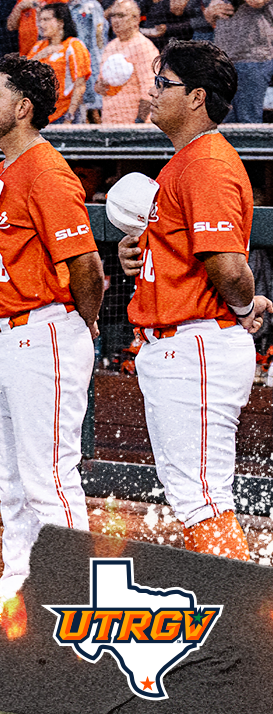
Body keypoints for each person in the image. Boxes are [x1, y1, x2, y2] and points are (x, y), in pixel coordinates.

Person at [0, 55, 105, 647]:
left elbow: (87, 266)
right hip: (2, 333)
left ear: (23, 108)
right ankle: (21, 601)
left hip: (44, 332)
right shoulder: (0, 174)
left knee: (49, 480)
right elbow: (2, 259)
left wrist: (76, 328)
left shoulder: (46, 171)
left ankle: (74, 615)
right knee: (11, 484)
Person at [118, 41, 271, 558]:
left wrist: (247, 309)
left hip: (198, 345)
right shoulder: (187, 161)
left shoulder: (206, 162)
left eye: (165, 84)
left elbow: (228, 267)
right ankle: (236, 619)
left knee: (201, 498)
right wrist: (142, 254)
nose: (153, 92)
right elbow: (194, 253)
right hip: (181, 344)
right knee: (195, 497)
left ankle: (245, 625)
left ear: (197, 98)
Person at [204, 0, 273, 122]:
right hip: (224, 61)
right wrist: (211, 11)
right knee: (223, 121)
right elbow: (212, 19)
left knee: (248, 121)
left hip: (253, 60)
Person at [98, 0, 160, 124]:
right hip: (110, 122)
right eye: (113, 16)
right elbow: (101, 85)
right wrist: (98, 86)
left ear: (135, 19)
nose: (115, 20)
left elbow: (150, 90)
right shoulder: (110, 47)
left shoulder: (144, 46)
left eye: (121, 15)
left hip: (135, 125)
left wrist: (139, 123)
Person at [30, 4, 91, 123]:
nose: (42, 24)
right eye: (40, 20)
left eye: (46, 20)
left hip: (64, 114)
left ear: (60, 22)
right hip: (40, 116)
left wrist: (69, 116)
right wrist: (38, 57)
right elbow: (20, 75)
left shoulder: (74, 46)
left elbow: (79, 86)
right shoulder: (38, 47)